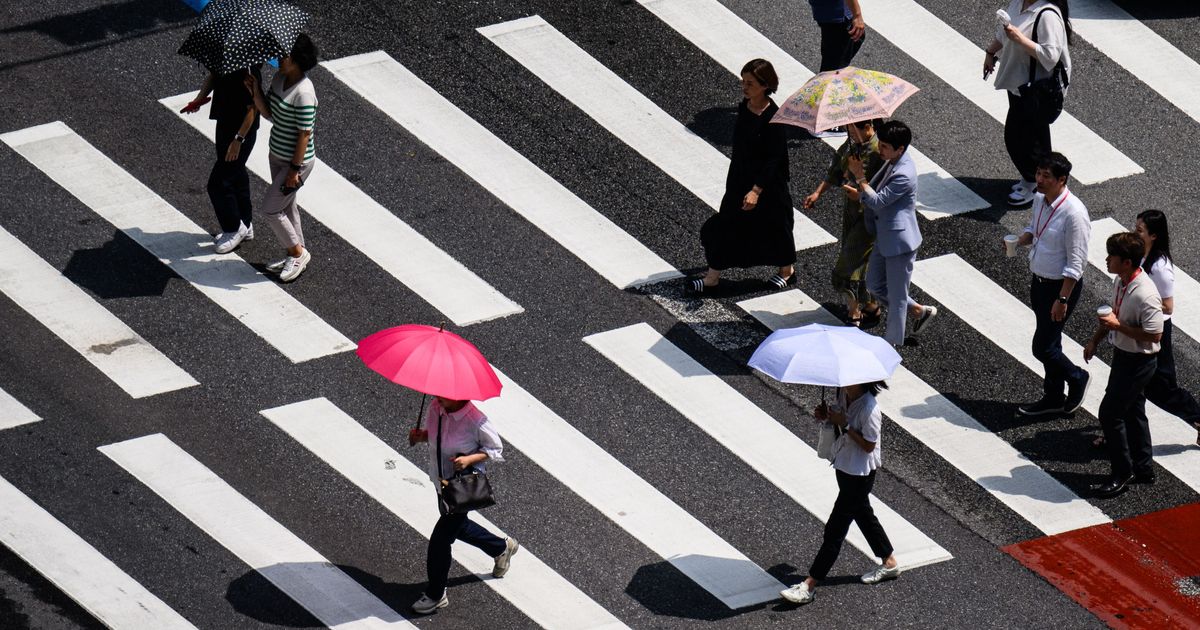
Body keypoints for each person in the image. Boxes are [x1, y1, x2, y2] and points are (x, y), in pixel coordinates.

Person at [780, 381, 899, 605]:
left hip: (860, 474)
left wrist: (844, 425)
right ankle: (889, 561)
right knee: (863, 514)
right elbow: (837, 424)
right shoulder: (842, 393)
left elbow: (869, 446)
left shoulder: (870, 409)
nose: (844, 380)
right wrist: (826, 416)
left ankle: (809, 584)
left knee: (835, 528)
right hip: (843, 465)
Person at [689, 59, 796, 295]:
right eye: (743, 81)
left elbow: (774, 158)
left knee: (776, 227)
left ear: (765, 85)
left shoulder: (774, 118)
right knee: (727, 222)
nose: (744, 86)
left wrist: (756, 190)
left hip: (767, 186)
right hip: (740, 179)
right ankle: (712, 277)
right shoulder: (744, 107)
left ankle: (787, 271)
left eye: (749, 83)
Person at [407, 396, 519, 614]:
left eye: (444, 394)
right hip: (441, 482)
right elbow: (439, 437)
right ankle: (501, 547)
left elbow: (495, 448)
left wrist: (470, 460)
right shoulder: (436, 408)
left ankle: (436, 594)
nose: (438, 397)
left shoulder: (475, 420)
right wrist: (422, 437)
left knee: (440, 541)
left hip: (462, 487)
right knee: (459, 527)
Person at [1009, 152, 1091, 417]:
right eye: (1038, 174)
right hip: (1040, 282)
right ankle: (1054, 395)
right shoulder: (1039, 200)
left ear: (1062, 180)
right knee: (1050, 342)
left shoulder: (1074, 214)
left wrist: (1063, 299)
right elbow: (1035, 229)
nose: (1039, 180)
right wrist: (1020, 241)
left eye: (1046, 176)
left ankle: (1077, 377)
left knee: (1042, 347)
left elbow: (1076, 263)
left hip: (1059, 289)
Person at [1084, 232, 1163, 498]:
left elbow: (1154, 335)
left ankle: (1122, 472)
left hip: (1139, 361)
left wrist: (1119, 328)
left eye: (1112, 257)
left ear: (1126, 262)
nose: (1107, 260)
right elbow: (1114, 316)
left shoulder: (1146, 295)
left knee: (1110, 413)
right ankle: (1143, 467)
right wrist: (1095, 340)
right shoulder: (1121, 281)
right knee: (1133, 411)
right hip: (1123, 356)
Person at [846, 120, 937, 346]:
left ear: (900, 149)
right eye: (881, 144)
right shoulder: (892, 161)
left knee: (896, 299)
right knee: (874, 285)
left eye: (885, 146)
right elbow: (874, 192)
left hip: (899, 242)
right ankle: (918, 310)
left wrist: (860, 178)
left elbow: (878, 201)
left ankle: (892, 344)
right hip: (884, 235)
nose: (880, 149)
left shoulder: (904, 174)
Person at [983, 0, 1073, 207]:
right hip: (1018, 83)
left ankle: (1035, 183)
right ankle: (1037, 178)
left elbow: (1050, 56)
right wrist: (990, 53)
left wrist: (1020, 39)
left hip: (1036, 89)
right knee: (1031, 137)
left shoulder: (1047, 15)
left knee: (1020, 138)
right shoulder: (1017, 4)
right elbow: (1003, 35)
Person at [245, 33, 319, 282]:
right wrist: (255, 89)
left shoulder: (304, 93)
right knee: (287, 205)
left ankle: (296, 252)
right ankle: (297, 254)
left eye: (283, 56)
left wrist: (294, 170)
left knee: (270, 209)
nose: (278, 59)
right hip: (276, 155)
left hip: (295, 163)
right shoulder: (280, 78)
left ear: (298, 60)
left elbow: (304, 135)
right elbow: (270, 114)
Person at [802, 119, 883, 326]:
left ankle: (856, 311)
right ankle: (868, 306)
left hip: (869, 218)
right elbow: (835, 171)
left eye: (853, 129)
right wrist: (818, 193)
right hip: (851, 213)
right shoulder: (851, 145)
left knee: (847, 266)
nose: (850, 133)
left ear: (868, 127)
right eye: (848, 129)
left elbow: (881, 193)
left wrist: (857, 188)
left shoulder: (878, 152)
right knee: (858, 262)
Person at [1133, 211, 1200, 447]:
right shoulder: (1140, 254)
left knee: (1161, 388)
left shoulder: (1160, 267)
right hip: (1137, 327)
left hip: (1156, 330)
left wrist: (1140, 298)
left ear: (1154, 235)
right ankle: (1117, 429)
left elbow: (1168, 306)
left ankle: (1197, 417)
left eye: (1140, 230)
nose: (1135, 233)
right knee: (1131, 383)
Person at [180, 66, 262, 254]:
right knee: (236, 174)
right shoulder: (229, 59)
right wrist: (199, 99)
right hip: (225, 121)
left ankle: (234, 227)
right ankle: (245, 223)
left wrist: (238, 140)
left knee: (218, 183)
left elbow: (254, 107)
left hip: (241, 132)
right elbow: (214, 75)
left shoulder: (249, 70)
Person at [808, 0, 866, 73]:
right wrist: (857, 15)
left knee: (857, 38)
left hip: (826, 11)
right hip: (838, 14)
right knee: (832, 71)